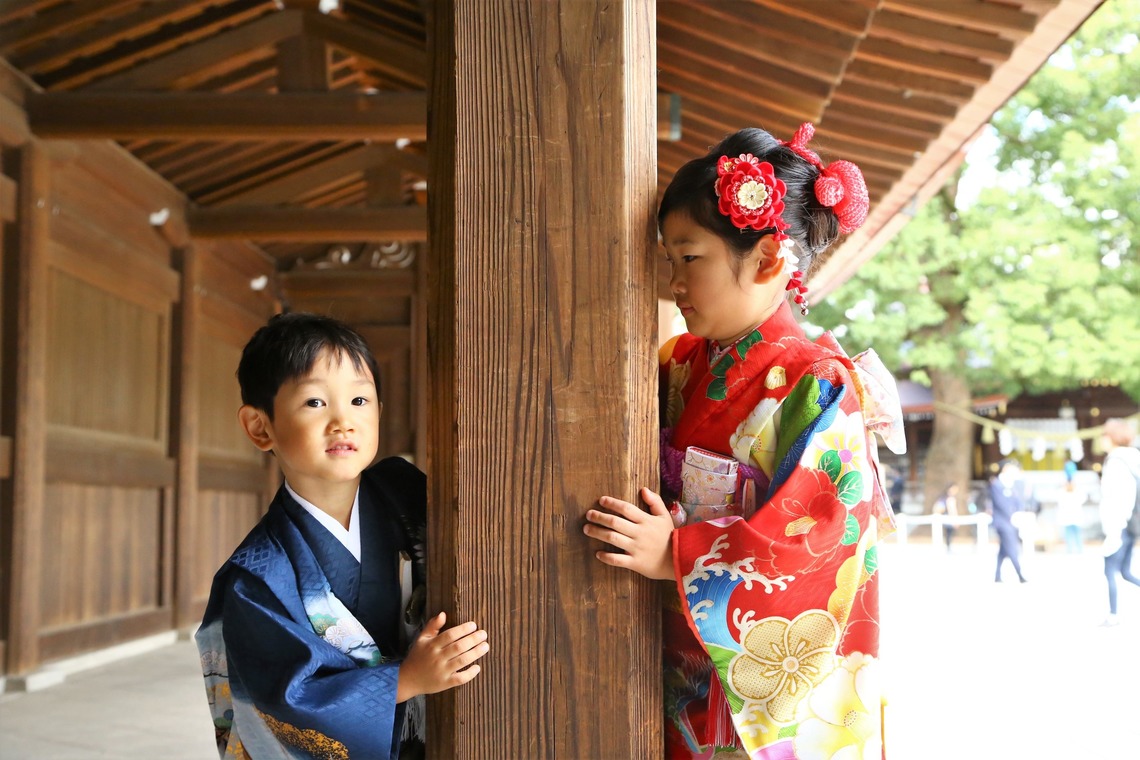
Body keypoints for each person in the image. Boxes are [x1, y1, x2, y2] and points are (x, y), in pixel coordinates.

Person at [582, 124, 905, 758]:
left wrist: (677, 555)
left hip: (747, 667)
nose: (672, 281)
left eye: (689, 258)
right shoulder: (678, 361)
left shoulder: (817, 384)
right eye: (669, 260)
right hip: (671, 656)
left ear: (767, 260)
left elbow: (817, 539)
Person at [196, 313, 489, 759]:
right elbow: (283, 700)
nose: (343, 421)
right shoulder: (257, 578)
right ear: (261, 426)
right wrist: (405, 680)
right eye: (315, 403)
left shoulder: (406, 491)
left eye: (359, 400)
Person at [1098, 417, 1140, 626]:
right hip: (1132, 523)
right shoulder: (1134, 457)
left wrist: (1113, 530)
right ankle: (1112, 613)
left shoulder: (1116, 461)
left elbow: (1118, 498)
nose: (1102, 439)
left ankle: (1113, 614)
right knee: (1125, 571)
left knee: (1111, 571)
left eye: (1105, 435)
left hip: (1120, 524)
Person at [989, 458, 1030, 583]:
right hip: (1003, 522)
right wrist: (1012, 514)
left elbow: (1019, 501)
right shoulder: (996, 484)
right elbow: (1000, 503)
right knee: (1012, 548)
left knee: (1003, 549)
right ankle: (1020, 574)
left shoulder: (1012, 484)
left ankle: (997, 575)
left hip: (1012, 521)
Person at [1055, 478, 1085, 554]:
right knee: (1071, 535)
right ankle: (1073, 550)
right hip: (1069, 517)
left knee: (1074, 534)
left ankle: (1076, 549)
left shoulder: (1075, 492)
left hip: (1072, 517)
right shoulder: (1063, 493)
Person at [933, 483, 960, 552]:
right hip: (948, 518)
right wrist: (955, 520)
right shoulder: (949, 499)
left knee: (947, 534)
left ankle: (948, 546)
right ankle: (948, 547)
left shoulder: (944, 497)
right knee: (948, 533)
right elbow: (952, 510)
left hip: (944, 518)